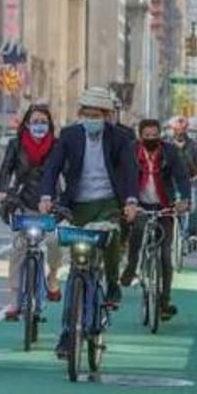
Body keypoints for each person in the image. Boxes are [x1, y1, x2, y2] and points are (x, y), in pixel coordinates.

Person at [38, 87, 139, 357]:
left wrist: (130, 201)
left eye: (97, 114)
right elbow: (52, 167)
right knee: (76, 271)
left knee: (112, 238)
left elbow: (130, 171)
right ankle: (66, 335)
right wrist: (47, 195)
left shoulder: (120, 138)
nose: (91, 118)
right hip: (76, 207)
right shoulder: (70, 136)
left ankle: (113, 283)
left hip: (108, 204)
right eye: (87, 114)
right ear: (80, 114)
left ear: (107, 115)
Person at [0, 101, 62, 320]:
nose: (39, 126)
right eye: (35, 122)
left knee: (53, 243)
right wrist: (3, 193)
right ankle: (14, 299)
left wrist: (63, 201)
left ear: (50, 125)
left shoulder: (57, 145)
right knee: (17, 249)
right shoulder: (16, 145)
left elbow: (68, 174)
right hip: (21, 203)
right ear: (26, 124)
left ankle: (52, 277)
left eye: (43, 122)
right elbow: (5, 171)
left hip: (49, 205)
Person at [121, 119, 191, 319]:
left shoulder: (169, 151)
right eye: (147, 135)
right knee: (137, 235)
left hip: (164, 206)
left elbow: (182, 177)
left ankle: (164, 300)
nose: (151, 138)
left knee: (165, 255)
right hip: (140, 204)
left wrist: (184, 199)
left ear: (160, 134)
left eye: (154, 135)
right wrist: (129, 202)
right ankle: (132, 266)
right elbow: (126, 176)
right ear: (140, 135)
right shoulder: (131, 151)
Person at [169, 116, 197, 247]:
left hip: (190, 181)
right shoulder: (166, 145)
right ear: (173, 129)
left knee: (196, 206)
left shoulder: (195, 145)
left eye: (183, 129)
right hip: (170, 182)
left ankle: (191, 231)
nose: (180, 132)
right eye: (177, 129)